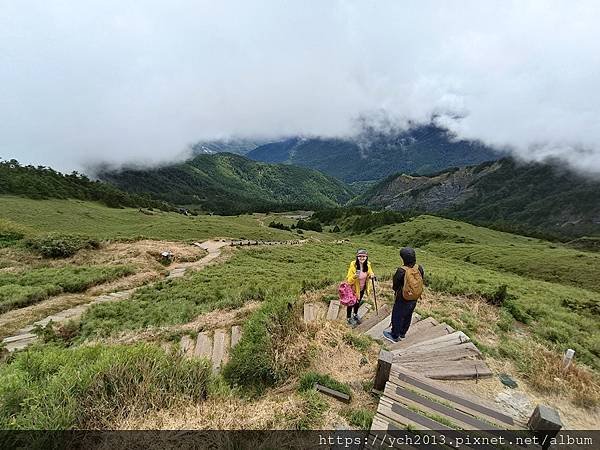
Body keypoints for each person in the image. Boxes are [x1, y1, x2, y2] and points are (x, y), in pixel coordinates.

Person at [383, 247, 424, 343]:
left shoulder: (401, 270)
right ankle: (402, 333)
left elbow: (395, 286)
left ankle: (394, 335)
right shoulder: (419, 268)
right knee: (408, 314)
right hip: (414, 296)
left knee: (397, 315)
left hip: (402, 297)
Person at [345, 249, 375, 326]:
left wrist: (371, 275)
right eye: (360, 256)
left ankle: (355, 314)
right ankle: (348, 318)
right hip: (353, 289)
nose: (362, 258)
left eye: (364, 256)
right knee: (351, 303)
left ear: (366, 257)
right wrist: (355, 276)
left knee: (357, 302)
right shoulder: (353, 266)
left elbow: (370, 271)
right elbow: (349, 281)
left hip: (362, 288)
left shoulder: (367, 265)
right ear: (357, 257)